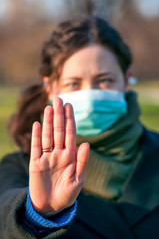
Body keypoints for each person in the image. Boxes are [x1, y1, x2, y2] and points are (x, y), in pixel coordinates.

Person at [0, 16, 159, 239]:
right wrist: (39, 214)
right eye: (73, 83)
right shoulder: (19, 169)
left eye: (104, 80)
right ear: (51, 87)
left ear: (126, 80)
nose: (91, 95)